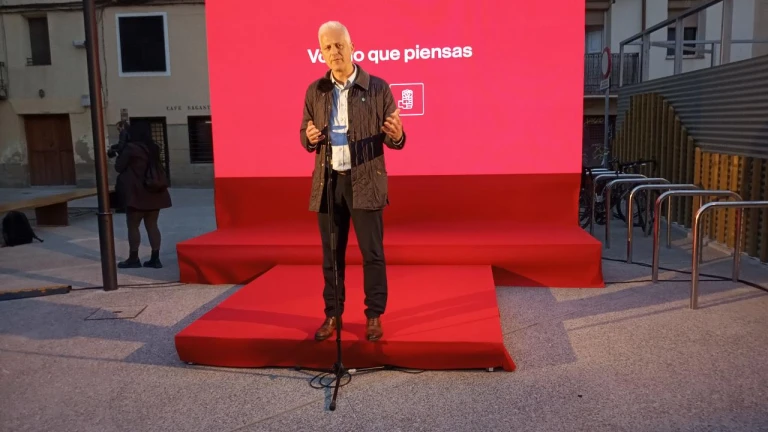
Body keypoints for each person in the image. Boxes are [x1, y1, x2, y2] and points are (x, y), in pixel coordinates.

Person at [300, 21, 406, 342]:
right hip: (328, 183)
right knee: (331, 255)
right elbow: (305, 133)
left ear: (352, 47)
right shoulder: (315, 91)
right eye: (327, 47)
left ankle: (374, 316)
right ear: (321, 53)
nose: (334, 52)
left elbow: (397, 138)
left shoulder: (378, 88)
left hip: (366, 181)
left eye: (339, 45)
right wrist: (308, 138)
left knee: (372, 253)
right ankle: (333, 314)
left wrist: (397, 135)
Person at [114, 123, 172, 269]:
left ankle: (134, 258)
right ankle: (155, 258)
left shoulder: (131, 148)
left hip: (136, 193)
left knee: (133, 225)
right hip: (154, 190)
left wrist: (119, 150)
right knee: (152, 225)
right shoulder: (154, 147)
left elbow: (118, 167)